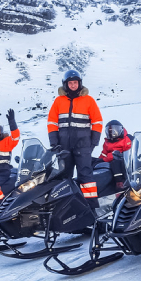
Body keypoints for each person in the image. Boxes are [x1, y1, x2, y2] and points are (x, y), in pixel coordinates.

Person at [47, 70, 103, 209]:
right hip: (63, 146)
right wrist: (54, 143)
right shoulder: (59, 101)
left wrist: (93, 143)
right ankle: (67, 208)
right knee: (64, 177)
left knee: (86, 177)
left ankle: (92, 209)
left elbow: (97, 122)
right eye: (70, 83)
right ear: (65, 84)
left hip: (83, 145)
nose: (73, 85)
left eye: (75, 83)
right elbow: (52, 122)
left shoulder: (88, 100)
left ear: (80, 84)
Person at [96, 120, 132, 189]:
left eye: (114, 130)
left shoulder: (127, 140)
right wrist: (98, 161)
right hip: (111, 160)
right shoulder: (107, 143)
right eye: (110, 131)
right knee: (93, 162)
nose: (112, 133)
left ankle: (120, 183)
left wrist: (109, 157)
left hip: (123, 160)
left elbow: (128, 151)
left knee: (115, 163)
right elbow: (103, 154)